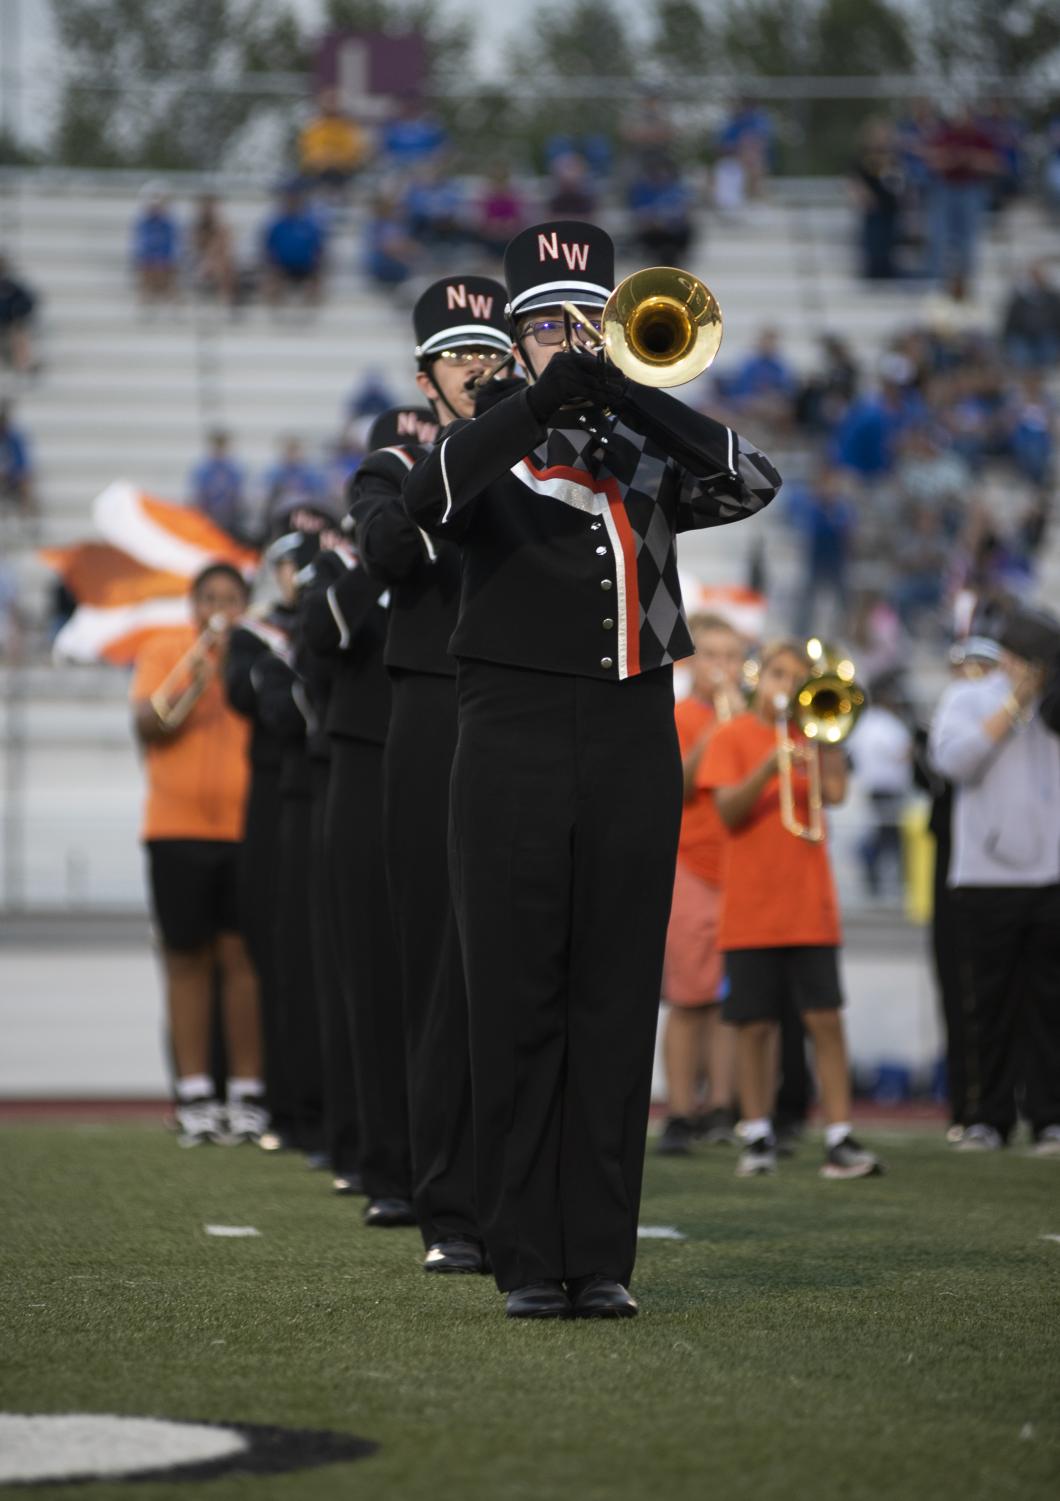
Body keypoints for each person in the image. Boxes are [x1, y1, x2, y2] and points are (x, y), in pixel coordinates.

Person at [402, 219, 781, 1319]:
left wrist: (619, 389)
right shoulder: (481, 445)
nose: (567, 338)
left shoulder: (638, 448)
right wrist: (532, 398)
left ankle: (600, 1256)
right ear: (513, 344)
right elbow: (424, 505)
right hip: (509, 729)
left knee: (615, 995)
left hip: (631, 729)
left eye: (585, 321)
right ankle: (524, 1256)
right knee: (517, 990)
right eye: (545, 327)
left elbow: (749, 477)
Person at [350, 279, 507, 1273]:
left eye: (493, 355)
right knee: (435, 953)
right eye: (462, 359)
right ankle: (443, 1193)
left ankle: (517, 1182)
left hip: (515, 699)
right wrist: (469, 456)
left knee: (512, 948)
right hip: (429, 709)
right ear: (425, 376)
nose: (481, 370)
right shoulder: (393, 466)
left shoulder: (534, 450)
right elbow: (389, 548)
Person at [700, 638, 882, 1181]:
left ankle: (840, 1135)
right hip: (752, 904)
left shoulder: (814, 733)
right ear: (761, 679)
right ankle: (756, 1133)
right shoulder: (732, 736)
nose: (786, 685)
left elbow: (836, 793)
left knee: (825, 1018)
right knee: (754, 1024)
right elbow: (727, 812)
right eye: (778, 674)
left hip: (809, 903)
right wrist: (768, 767)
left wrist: (821, 739)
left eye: (796, 677)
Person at [301, 456, 413, 1227]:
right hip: (367, 760)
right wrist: (381, 551)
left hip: (444, 747)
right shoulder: (345, 569)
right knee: (370, 973)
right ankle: (385, 1163)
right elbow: (324, 636)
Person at [130, 563, 265, 1147]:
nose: (219, 608)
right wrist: (197, 667)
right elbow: (148, 722)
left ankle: (247, 1094)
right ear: (193, 604)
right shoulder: (167, 649)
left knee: (242, 960)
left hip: (244, 828)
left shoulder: (260, 653)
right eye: (209, 597)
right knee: (185, 958)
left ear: (244, 604)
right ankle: (192, 1094)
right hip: (175, 828)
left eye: (230, 598)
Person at [929, 604, 1060, 1155]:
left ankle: (1050, 1116)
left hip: (1049, 876)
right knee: (986, 1004)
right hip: (982, 879)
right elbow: (953, 762)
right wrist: (1013, 705)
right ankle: (986, 1115)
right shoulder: (968, 697)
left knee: (1049, 1007)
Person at [658, 614, 745, 1155]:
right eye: (712, 655)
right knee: (689, 997)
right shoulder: (684, 716)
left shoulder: (754, 719)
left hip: (738, 868)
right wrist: (720, 730)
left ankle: (721, 1105)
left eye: (732, 657)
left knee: (728, 1000)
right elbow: (680, 783)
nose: (723, 667)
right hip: (691, 865)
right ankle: (680, 1112)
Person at [847, 674, 914, 900]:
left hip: (874, 787)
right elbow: (902, 754)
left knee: (885, 834)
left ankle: (873, 870)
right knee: (887, 835)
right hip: (886, 789)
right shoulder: (885, 723)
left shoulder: (866, 722)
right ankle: (866, 860)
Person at [261, 189, 326, 307]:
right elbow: (268, 247)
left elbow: (319, 248)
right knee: (271, 278)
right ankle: (274, 311)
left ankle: (310, 312)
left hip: (306, 267)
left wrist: (316, 264)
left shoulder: (310, 224)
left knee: (316, 277)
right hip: (282, 267)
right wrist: (273, 264)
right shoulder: (277, 225)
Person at [298, 89, 369, 195]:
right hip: (318, 172)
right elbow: (309, 150)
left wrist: (335, 159)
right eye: (329, 102)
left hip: (344, 173)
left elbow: (354, 151)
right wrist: (323, 158)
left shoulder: (349, 127)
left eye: (335, 102)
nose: (332, 106)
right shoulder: (315, 127)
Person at [188, 431, 247, 540]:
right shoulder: (203, 469)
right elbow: (198, 495)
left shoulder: (234, 469)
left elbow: (238, 495)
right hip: (208, 515)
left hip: (230, 517)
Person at [131, 188, 180, 304]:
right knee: (149, 265)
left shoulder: (170, 223)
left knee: (164, 265)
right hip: (150, 256)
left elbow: (174, 243)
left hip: (165, 256)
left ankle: (168, 298)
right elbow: (141, 243)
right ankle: (146, 297)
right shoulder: (143, 222)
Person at [189, 195, 237, 308]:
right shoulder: (196, 227)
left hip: (217, 261)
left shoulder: (222, 227)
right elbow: (195, 246)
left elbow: (225, 246)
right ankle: (224, 302)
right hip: (199, 261)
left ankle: (225, 302)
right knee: (219, 265)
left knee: (223, 266)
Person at [0, 253, 38, 373]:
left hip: (8, 324)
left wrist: (15, 311)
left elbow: (28, 302)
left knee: (19, 333)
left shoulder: (10, 286)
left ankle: (24, 364)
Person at [0, 402, 35, 524]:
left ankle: (26, 518)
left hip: (11, 478)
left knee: (25, 481)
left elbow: (22, 462)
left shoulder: (14, 438)